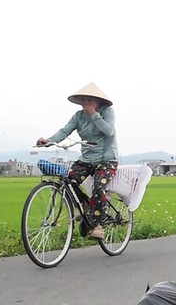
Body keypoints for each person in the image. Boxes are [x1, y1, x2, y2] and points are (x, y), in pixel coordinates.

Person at [37, 82, 118, 240]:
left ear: (97, 101)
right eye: (83, 100)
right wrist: (48, 141)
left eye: (89, 100)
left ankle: (98, 225)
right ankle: (86, 206)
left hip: (107, 159)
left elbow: (109, 131)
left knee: (98, 186)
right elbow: (65, 131)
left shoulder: (107, 112)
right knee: (70, 181)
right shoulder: (78, 116)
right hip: (87, 159)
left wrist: (94, 114)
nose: (85, 104)